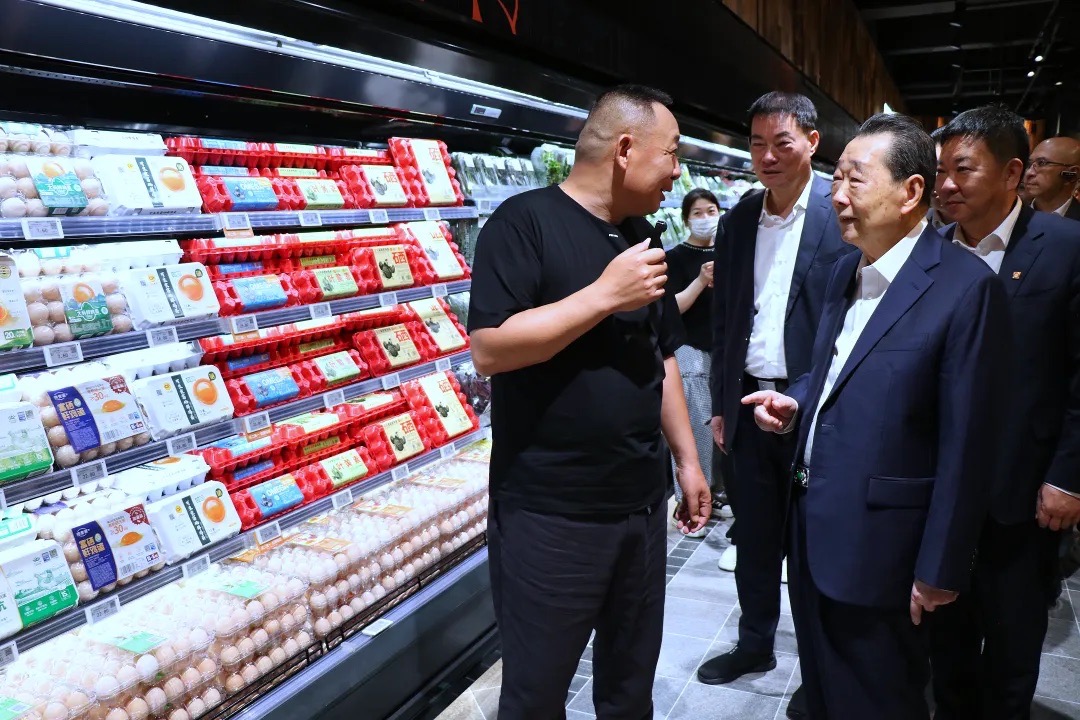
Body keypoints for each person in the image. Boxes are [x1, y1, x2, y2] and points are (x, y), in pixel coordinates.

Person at [744, 112, 1010, 719]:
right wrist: (797, 401)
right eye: (835, 179)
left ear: (911, 191)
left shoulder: (964, 288)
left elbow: (969, 443)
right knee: (823, 690)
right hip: (811, 526)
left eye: (854, 180)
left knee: (879, 698)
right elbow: (836, 368)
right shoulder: (846, 269)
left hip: (885, 549)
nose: (836, 196)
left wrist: (941, 567)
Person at [467, 84, 712, 719]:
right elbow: (490, 349)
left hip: (640, 505)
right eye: (672, 152)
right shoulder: (522, 223)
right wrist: (603, 295)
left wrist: (687, 460)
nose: (677, 171)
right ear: (625, 150)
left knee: (630, 688)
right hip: (551, 514)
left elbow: (661, 354)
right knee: (536, 694)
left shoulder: (641, 236)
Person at [698, 92, 852, 718]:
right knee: (756, 539)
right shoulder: (738, 220)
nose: (767, 156)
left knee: (815, 548)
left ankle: (820, 670)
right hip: (746, 401)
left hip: (814, 405)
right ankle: (755, 644)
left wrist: (807, 397)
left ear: (812, 142)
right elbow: (725, 320)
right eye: (757, 143)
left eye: (781, 142)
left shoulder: (839, 212)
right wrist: (720, 404)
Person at [928, 106, 1080, 720]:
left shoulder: (1066, 247)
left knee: (1014, 640)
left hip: (1024, 487)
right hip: (937, 486)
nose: (945, 185)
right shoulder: (929, 249)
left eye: (962, 169)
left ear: (1013, 172)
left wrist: (1068, 476)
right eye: (940, 171)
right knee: (944, 635)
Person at [667, 188, 723, 537]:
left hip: (726, 350)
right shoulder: (674, 257)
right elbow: (672, 309)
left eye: (711, 211)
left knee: (722, 425)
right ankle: (688, 502)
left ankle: (717, 492)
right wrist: (701, 280)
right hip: (691, 349)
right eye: (697, 213)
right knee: (697, 425)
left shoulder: (729, 251)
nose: (705, 219)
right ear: (686, 219)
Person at [1023, 136, 1080, 220]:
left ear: (1072, 174)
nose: (1029, 173)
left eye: (1042, 163)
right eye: (1029, 164)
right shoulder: (1011, 215)